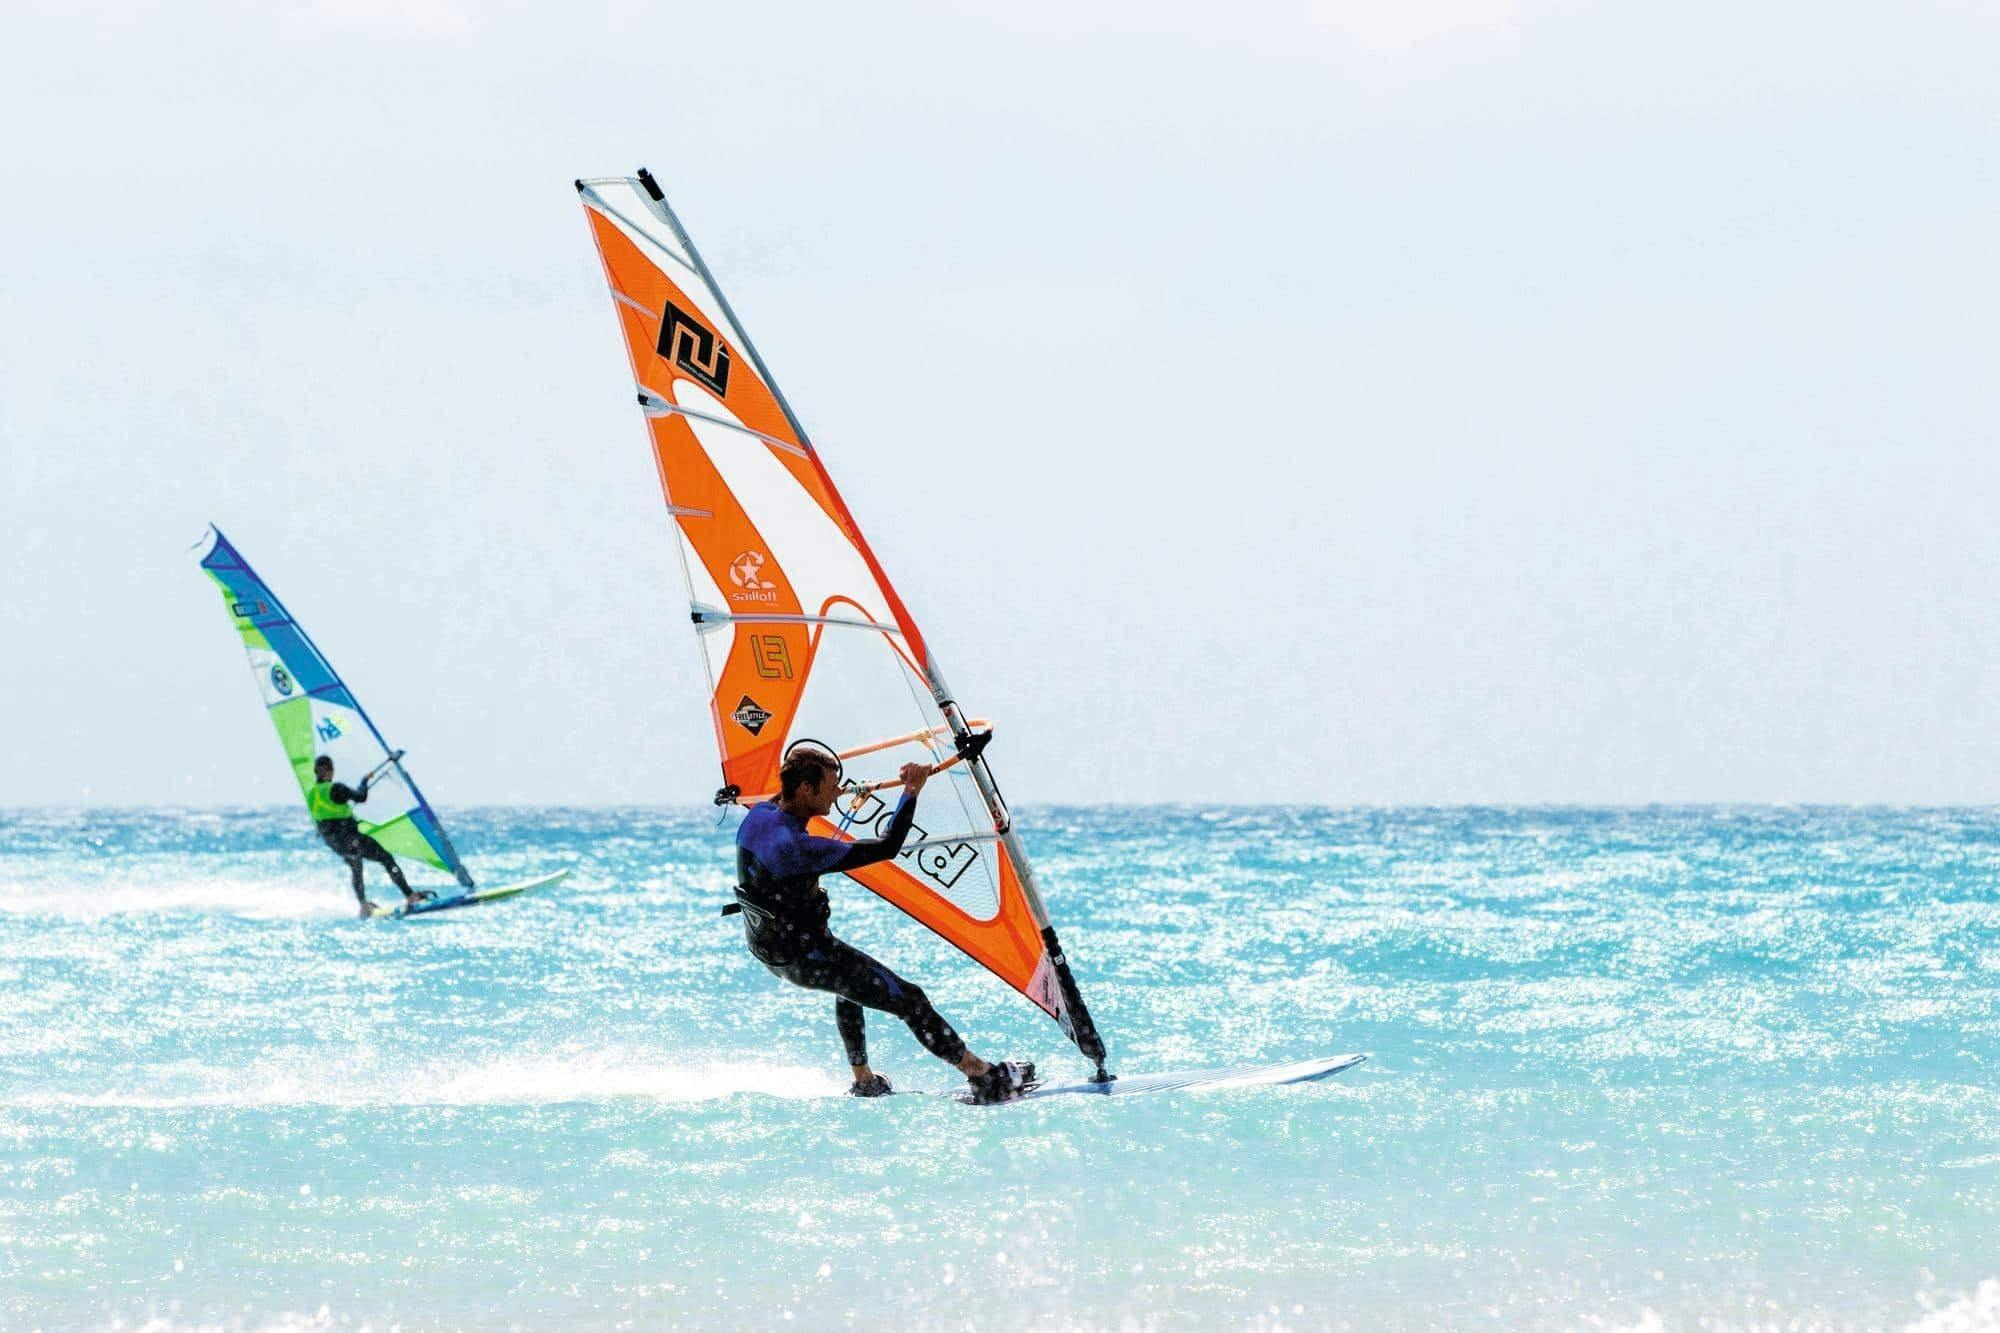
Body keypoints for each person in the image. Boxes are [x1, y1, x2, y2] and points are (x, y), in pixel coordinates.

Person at [732, 745, 1035, 1102]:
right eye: (830, 786)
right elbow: (888, 846)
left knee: (847, 983)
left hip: (774, 952)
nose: (837, 792)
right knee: (911, 1000)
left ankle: (864, 1081)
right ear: (805, 790)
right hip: (805, 957)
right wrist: (911, 790)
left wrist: (840, 790)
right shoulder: (796, 848)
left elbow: (783, 800)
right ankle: (984, 1077)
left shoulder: (759, 816)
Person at [308, 754, 428, 917]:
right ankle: (410, 895)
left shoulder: (312, 794)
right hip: (350, 839)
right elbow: (361, 796)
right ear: (330, 770)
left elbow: (322, 818)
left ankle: (363, 904)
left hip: (334, 843)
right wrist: (364, 781)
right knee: (386, 858)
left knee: (356, 867)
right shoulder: (336, 788)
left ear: (316, 772)